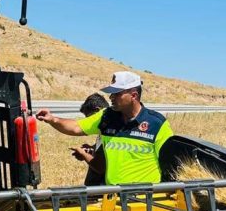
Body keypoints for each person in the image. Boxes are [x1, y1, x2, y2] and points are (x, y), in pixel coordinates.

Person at [37, 71, 173, 185]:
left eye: (117, 93)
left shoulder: (157, 124)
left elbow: (171, 164)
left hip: (146, 201)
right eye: (111, 93)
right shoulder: (107, 116)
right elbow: (76, 127)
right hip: (112, 196)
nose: (111, 97)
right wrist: (52, 119)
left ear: (133, 95)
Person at [71, 93, 108, 185]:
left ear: (97, 111)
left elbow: (100, 167)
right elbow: (101, 151)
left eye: (89, 118)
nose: (88, 122)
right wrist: (92, 148)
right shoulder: (104, 130)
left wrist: (83, 154)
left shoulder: (109, 131)